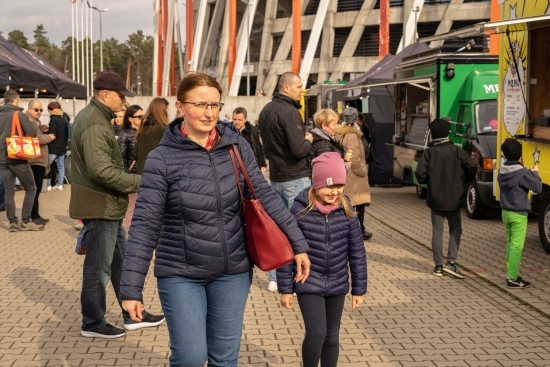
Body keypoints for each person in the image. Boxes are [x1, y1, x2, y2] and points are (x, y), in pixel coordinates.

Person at [120, 72, 311, 367]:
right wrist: (131, 288)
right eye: (200, 105)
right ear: (179, 106)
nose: (209, 113)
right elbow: (145, 224)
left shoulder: (235, 147)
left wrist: (298, 243)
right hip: (180, 274)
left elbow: (265, 196)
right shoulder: (162, 158)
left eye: (214, 105)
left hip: (231, 272)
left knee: (224, 358)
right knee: (190, 358)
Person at [69, 70, 164, 339]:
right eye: (121, 95)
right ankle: (93, 321)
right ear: (105, 94)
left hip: (106, 204)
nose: (124, 101)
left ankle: (132, 313)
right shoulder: (96, 123)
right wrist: (140, 182)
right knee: (98, 268)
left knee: (121, 262)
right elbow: (101, 171)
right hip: (100, 205)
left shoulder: (97, 118)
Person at [278, 152, 367, 367]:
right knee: (317, 332)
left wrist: (359, 289)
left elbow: (357, 252)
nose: (334, 191)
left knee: (332, 336)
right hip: (308, 281)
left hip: (337, 281)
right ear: (316, 184)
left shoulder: (347, 211)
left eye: (339, 185)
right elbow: (286, 251)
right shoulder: (299, 211)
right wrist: (286, 288)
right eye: (329, 186)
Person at [259, 71, 313, 292]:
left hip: (277, 176)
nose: (302, 90)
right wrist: (309, 139)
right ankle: (300, 274)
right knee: (300, 227)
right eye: (299, 86)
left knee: (277, 228)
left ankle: (275, 277)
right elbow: (299, 149)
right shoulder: (289, 111)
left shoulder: (266, 110)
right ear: (286, 88)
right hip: (295, 176)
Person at [415, 118, 477, 278]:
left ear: (433, 134)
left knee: (437, 231)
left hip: (435, 198)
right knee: (455, 229)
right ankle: (451, 262)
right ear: (448, 133)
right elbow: (472, 167)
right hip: (455, 198)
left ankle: (438, 266)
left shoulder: (429, 152)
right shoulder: (457, 151)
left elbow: (420, 175)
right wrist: (465, 180)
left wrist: (429, 182)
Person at [497, 138, 542, 289]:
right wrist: (534, 173)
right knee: (517, 247)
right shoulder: (522, 173)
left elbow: (514, 176)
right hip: (518, 214)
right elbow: (537, 188)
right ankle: (513, 278)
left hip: (505, 213)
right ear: (520, 156)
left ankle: (511, 272)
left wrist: (525, 171)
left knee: (510, 243)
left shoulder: (502, 170)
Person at [0, 89, 43, 232]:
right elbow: (33, 132)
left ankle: (13, 222)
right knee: (31, 188)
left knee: (9, 191)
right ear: (16, 101)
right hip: (17, 157)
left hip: (3, 159)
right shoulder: (18, 114)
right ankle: (25, 220)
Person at [336, 107, 373, 241]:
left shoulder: (339, 133)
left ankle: (353, 230)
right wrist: (362, 171)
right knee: (359, 203)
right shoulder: (352, 135)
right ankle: (358, 231)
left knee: (347, 203)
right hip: (354, 176)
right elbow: (353, 157)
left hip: (346, 173)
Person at [26, 100, 56, 225]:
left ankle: (34, 214)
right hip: (34, 160)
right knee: (34, 189)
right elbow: (36, 139)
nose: (39, 112)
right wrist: (50, 137)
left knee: (36, 189)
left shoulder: (35, 122)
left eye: (41, 110)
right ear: (29, 109)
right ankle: (33, 214)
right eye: (36, 110)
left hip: (38, 159)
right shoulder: (29, 122)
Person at [118, 104, 143, 232]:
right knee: (131, 208)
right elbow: (120, 157)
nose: (142, 119)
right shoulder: (125, 134)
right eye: (139, 117)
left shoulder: (143, 133)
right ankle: (130, 234)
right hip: (131, 175)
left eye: (143, 116)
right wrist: (126, 176)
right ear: (130, 118)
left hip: (142, 174)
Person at [135, 97, 169, 175]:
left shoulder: (143, 128)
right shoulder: (162, 130)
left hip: (142, 173)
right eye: (167, 109)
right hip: (157, 175)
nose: (168, 112)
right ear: (162, 110)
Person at [232, 107, 267, 173]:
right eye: (234, 119)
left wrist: (263, 164)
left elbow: (259, 148)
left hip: (251, 169)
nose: (236, 122)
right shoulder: (228, 131)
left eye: (239, 120)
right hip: (234, 170)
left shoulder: (253, 131)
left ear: (246, 119)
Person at [46, 102, 68, 191]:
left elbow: (53, 133)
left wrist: (47, 132)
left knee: (47, 165)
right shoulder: (64, 119)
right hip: (62, 146)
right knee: (61, 166)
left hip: (53, 147)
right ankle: (60, 185)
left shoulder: (53, 120)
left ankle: (47, 185)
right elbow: (67, 133)